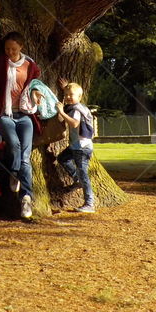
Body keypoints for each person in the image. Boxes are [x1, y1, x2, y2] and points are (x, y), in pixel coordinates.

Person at [0, 0, 41, 220]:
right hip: (3, 113)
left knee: (25, 156)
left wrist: (36, 95)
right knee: (14, 146)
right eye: (7, 49)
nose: (10, 52)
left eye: (13, 49)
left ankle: (26, 198)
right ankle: (14, 173)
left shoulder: (32, 65)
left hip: (24, 115)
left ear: (21, 47)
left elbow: (36, 85)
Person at [55, 82, 96, 213]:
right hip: (76, 146)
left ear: (79, 96)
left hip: (81, 148)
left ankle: (90, 204)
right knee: (62, 158)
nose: (67, 97)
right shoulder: (78, 106)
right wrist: (67, 88)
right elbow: (71, 97)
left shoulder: (76, 110)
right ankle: (76, 179)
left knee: (84, 174)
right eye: (65, 95)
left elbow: (74, 123)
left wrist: (61, 111)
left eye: (71, 95)